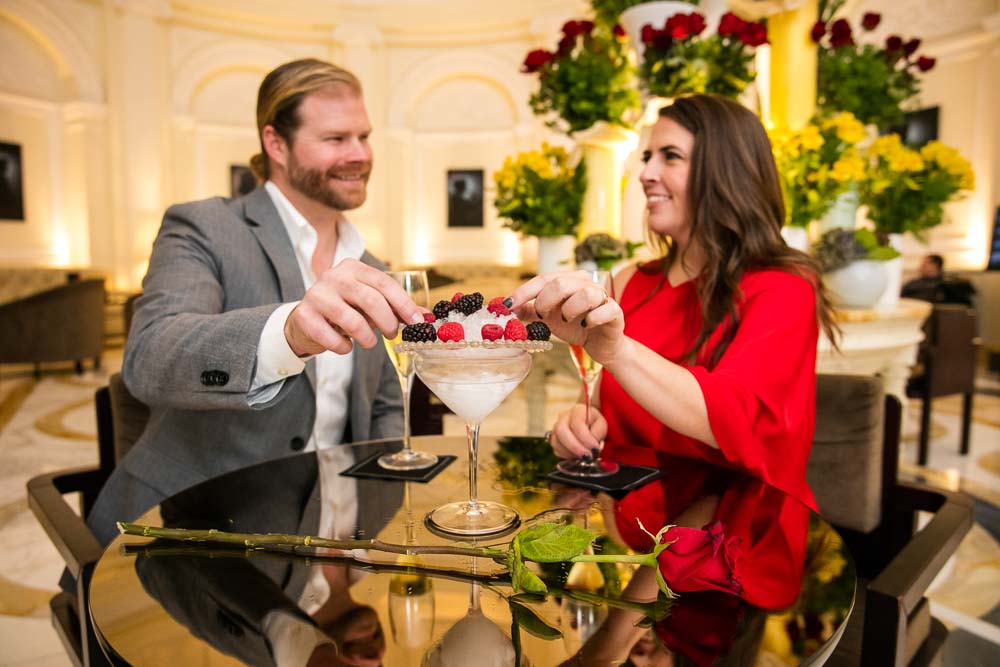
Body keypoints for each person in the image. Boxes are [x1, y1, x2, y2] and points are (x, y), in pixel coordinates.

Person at [507, 95, 839, 608]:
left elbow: (734, 416)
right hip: (633, 534)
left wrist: (617, 350)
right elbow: (609, 404)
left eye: (671, 156)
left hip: (737, 548)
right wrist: (582, 419)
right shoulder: (632, 283)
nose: (646, 173)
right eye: (647, 157)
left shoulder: (783, 287)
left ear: (726, 170)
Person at [83, 58, 423, 548]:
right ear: (275, 143)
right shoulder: (205, 228)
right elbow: (149, 355)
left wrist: (381, 504)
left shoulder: (372, 264)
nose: (360, 154)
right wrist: (289, 332)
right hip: (183, 533)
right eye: (335, 139)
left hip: (330, 538)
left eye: (364, 136)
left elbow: (388, 402)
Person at [901, 253, 976, 306]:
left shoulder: (948, 285)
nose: (921, 266)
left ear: (935, 265)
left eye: (925, 263)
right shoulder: (914, 283)